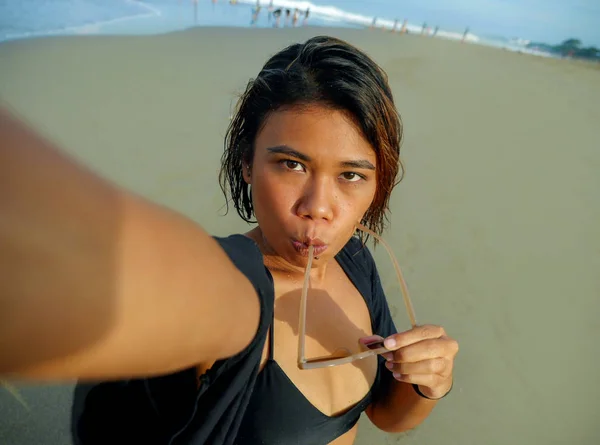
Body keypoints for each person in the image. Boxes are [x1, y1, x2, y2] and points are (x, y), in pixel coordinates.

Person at [0, 36, 458, 445]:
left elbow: (385, 414)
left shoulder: (356, 260)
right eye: (291, 165)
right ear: (246, 162)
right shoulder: (235, 286)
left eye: (351, 175)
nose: (318, 206)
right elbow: (98, 273)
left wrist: (426, 381)